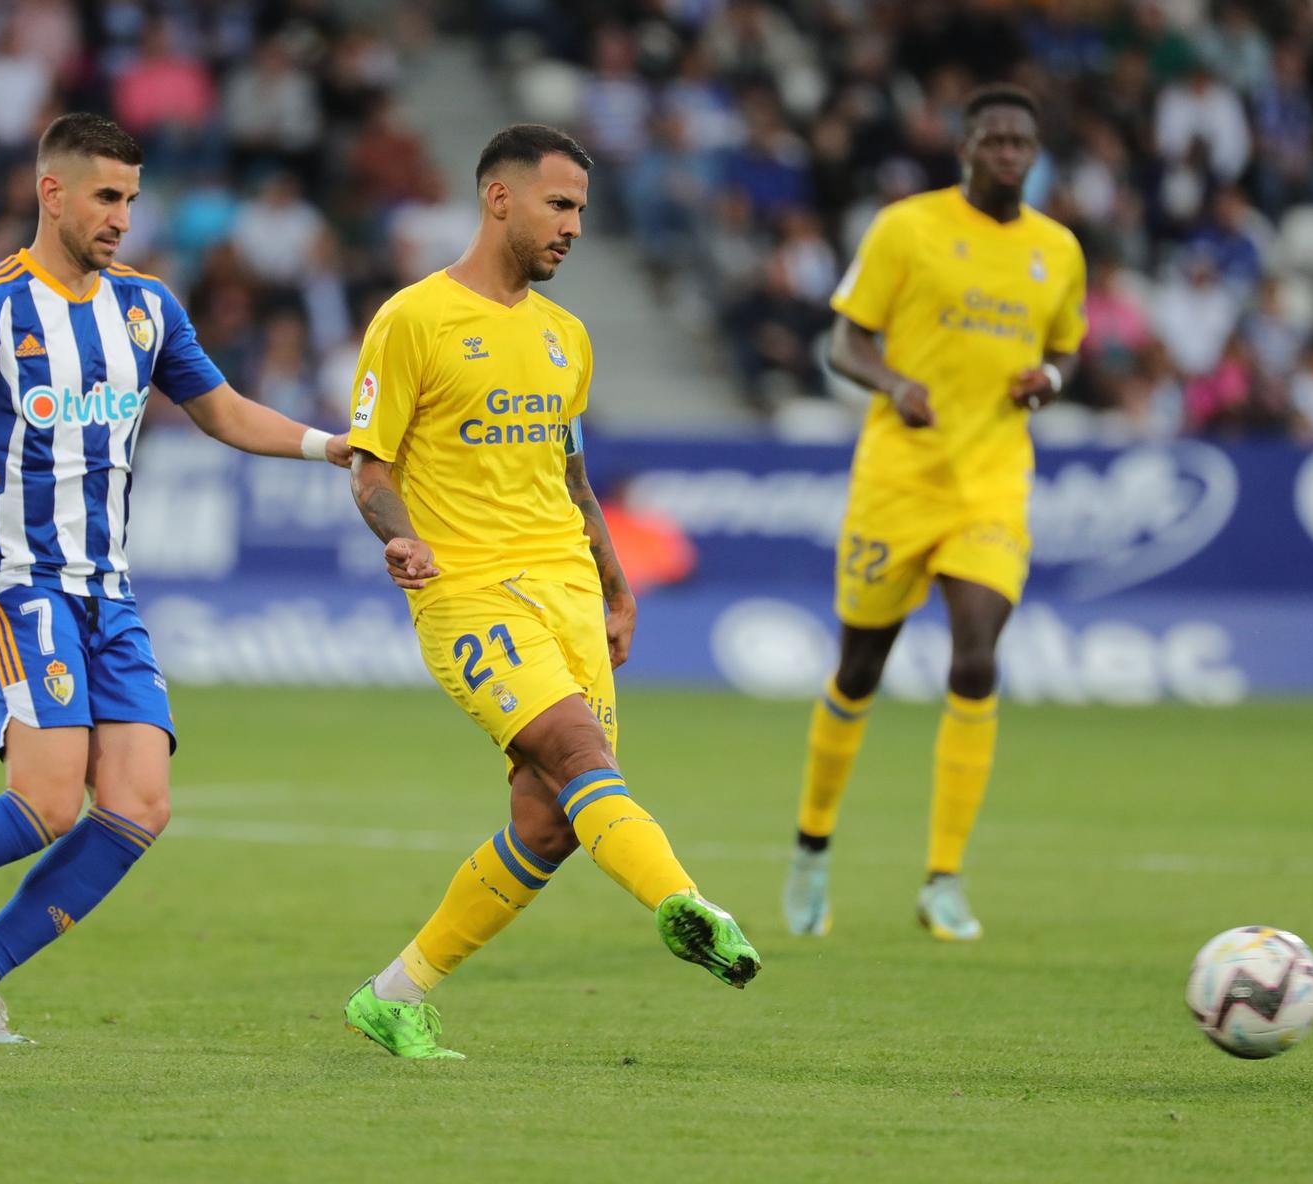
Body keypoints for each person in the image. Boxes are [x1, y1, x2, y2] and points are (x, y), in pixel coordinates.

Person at [0, 114, 352, 1045]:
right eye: (106, 196)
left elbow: (226, 412)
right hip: (17, 583)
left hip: (107, 594)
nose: (123, 215)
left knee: (138, 805)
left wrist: (334, 447)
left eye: (131, 195)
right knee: (47, 800)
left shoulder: (149, 307)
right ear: (53, 192)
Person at [340, 124, 761, 1061]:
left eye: (581, 210)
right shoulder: (413, 319)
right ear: (500, 199)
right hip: (469, 594)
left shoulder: (568, 338)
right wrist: (400, 535)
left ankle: (395, 994)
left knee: (550, 819)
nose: (574, 227)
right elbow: (369, 469)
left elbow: (571, 480)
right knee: (577, 754)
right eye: (560, 205)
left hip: (569, 590)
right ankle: (684, 902)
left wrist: (617, 588)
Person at [784, 85, 1087, 941]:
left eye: (1019, 141)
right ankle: (811, 848)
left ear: (1034, 152)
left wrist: (1051, 379)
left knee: (977, 655)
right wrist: (893, 384)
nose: (1005, 152)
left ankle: (943, 879)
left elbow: (1065, 342)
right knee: (860, 669)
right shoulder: (906, 227)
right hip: (899, 480)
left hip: (991, 481)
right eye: (991, 138)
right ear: (964, 145)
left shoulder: (1057, 250)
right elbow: (846, 339)